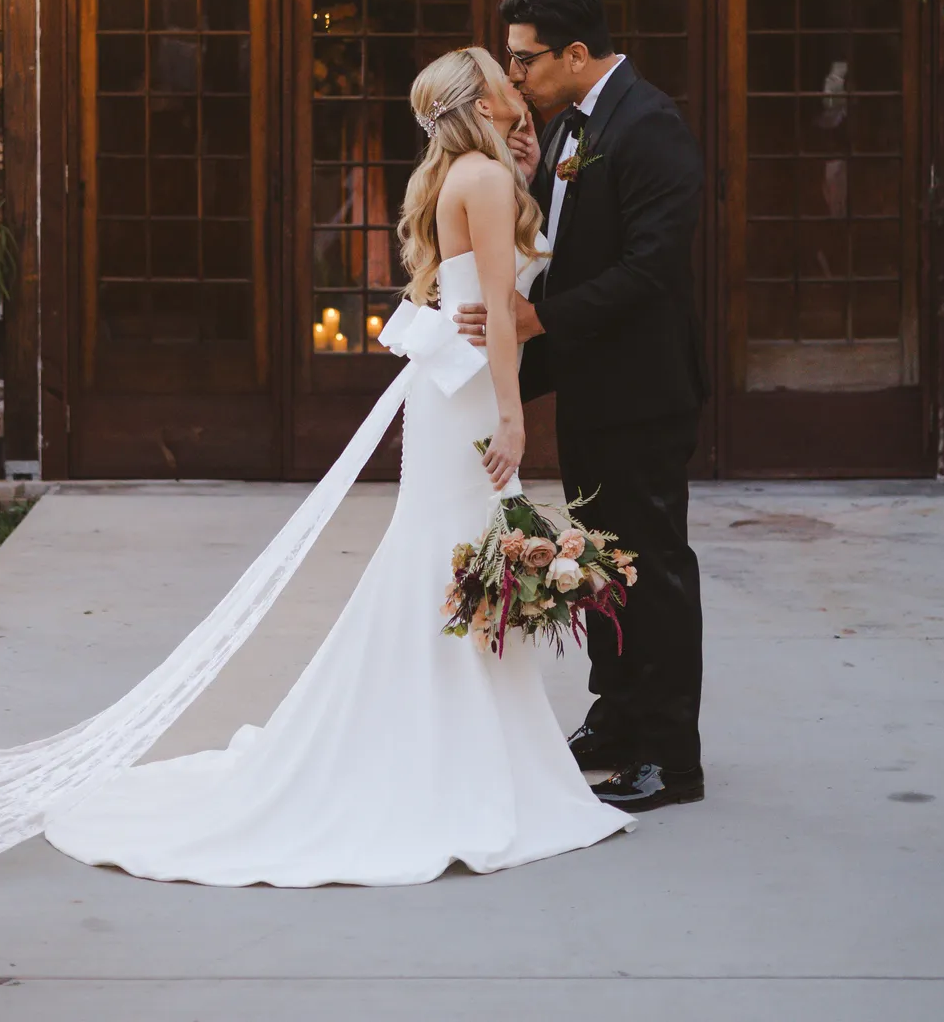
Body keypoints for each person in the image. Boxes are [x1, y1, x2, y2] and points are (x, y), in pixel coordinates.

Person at [42, 47, 630, 886]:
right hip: (469, 400)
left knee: (447, 565)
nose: (515, 82)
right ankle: (449, 760)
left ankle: (452, 747)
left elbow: (476, 288)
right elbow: (499, 312)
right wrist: (513, 415)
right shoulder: (487, 182)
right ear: (482, 101)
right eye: (502, 77)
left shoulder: (463, 174)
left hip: (442, 395)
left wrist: (523, 174)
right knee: (456, 565)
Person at [455, 0, 708, 814]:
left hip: (643, 389)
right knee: (599, 564)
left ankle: (671, 757)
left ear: (574, 53)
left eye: (525, 59)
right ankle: (617, 717)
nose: (515, 75)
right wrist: (529, 183)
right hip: (590, 386)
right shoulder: (567, 126)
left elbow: (651, 267)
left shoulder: (649, 126)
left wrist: (537, 318)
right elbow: (567, 239)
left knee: (655, 570)